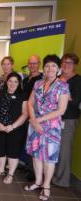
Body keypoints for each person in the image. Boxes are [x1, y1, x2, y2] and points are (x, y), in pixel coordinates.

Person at [25, 55, 69, 200]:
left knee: (49, 158)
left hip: (51, 128)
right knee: (36, 155)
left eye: (53, 66)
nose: (50, 69)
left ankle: (46, 186)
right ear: (43, 68)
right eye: (47, 66)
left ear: (58, 69)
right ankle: (38, 182)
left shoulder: (62, 86)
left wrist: (39, 120)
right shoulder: (37, 83)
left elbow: (61, 110)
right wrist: (33, 120)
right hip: (35, 125)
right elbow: (30, 103)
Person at [0, 72, 28, 184]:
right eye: (10, 81)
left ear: (19, 83)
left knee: (13, 152)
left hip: (15, 129)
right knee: (0, 150)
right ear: (7, 82)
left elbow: (25, 114)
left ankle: (10, 174)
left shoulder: (23, 95)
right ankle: (1, 170)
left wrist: (12, 126)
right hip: (0, 127)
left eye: (15, 81)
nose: (12, 83)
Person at [52, 53, 81, 187]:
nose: (65, 65)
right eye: (63, 62)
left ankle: (62, 181)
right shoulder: (56, 78)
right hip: (53, 119)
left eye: (69, 62)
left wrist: (64, 88)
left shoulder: (77, 81)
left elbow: (75, 103)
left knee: (64, 151)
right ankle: (52, 176)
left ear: (74, 64)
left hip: (68, 120)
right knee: (53, 149)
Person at [22, 55, 43, 181]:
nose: (32, 65)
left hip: (34, 116)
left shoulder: (41, 79)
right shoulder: (25, 80)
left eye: (35, 63)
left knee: (34, 143)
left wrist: (33, 116)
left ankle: (33, 171)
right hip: (24, 114)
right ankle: (27, 165)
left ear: (39, 64)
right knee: (27, 142)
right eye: (30, 63)